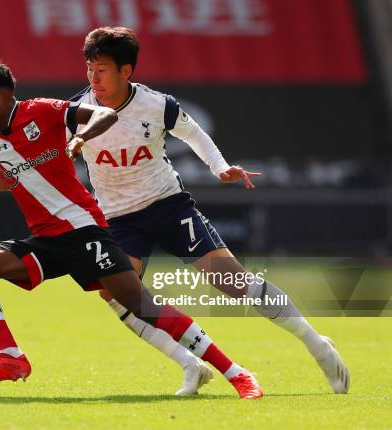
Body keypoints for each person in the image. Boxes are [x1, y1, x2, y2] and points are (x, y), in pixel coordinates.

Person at [0, 61, 263, 399]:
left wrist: (80, 137)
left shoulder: (44, 111)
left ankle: (237, 373)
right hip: (46, 242)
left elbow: (105, 114)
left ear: (0, 99)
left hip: (84, 231)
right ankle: (10, 356)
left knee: (140, 305)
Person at [63, 27, 349, 394]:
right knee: (116, 294)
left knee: (231, 282)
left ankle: (316, 344)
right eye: (89, 68)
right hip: (119, 218)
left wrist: (220, 168)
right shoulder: (75, 111)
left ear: (126, 71)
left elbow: (194, 133)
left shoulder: (156, 105)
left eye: (101, 69)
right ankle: (190, 365)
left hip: (167, 205)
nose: (93, 78)